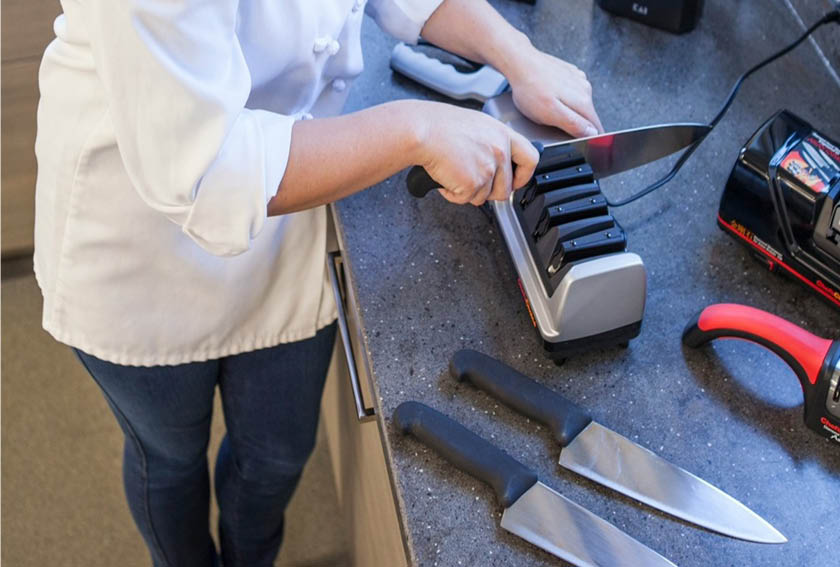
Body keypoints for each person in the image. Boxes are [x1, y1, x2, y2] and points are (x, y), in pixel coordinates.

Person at [33, 0, 603, 565]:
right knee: (168, 456)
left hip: (297, 200)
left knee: (277, 455)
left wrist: (519, 56)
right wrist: (417, 128)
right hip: (141, 249)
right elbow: (207, 174)